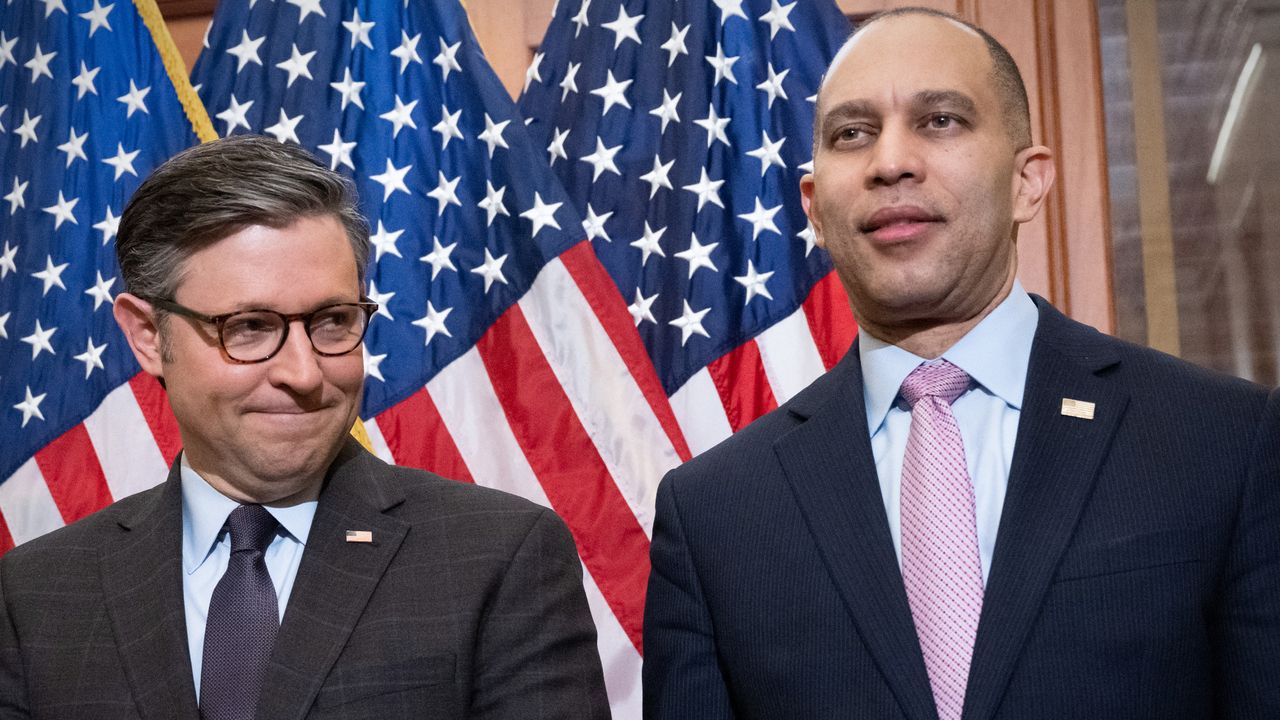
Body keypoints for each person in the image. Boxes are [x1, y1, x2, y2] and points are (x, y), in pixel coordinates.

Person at [643, 8, 1280, 720]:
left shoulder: (1225, 442)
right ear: (816, 210)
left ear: (1027, 182)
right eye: (853, 134)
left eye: (940, 120)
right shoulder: (713, 514)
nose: (891, 161)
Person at [0, 135, 611, 719]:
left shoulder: (497, 555)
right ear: (147, 336)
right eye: (249, 327)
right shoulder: (34, 596)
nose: (304, 371)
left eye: (333, 320)